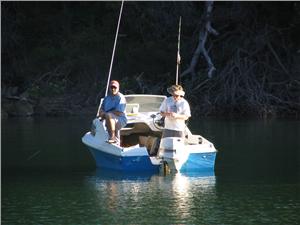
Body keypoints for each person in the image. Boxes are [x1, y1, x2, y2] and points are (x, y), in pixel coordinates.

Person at [97, 80, 127, 144]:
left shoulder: (120, 97)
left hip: (121, 119)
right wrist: (101, 113)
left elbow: (119, 112)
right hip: (109, 118)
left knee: (108, 115)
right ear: (109, 88)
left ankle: (112, 137)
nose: (113, 89)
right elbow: (101, 110)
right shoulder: (106, 98)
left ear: (118, 88)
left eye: (115, 87)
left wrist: (106, 114)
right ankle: (115, 141)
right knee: (107, 116)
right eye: (111, 87)